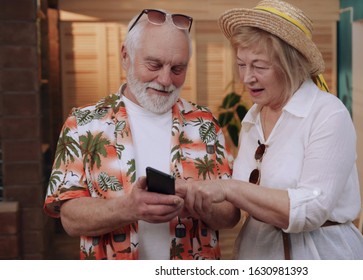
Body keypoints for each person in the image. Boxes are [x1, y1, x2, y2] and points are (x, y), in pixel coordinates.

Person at [176, 0, 363, 259]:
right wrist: (196, 201)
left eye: (259, 66)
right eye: (242, 64)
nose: (247, 77)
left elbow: (312, 209)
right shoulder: (253, 119)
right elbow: (237, 210)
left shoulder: (328, 114)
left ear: (292, 64)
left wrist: (230, 188)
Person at [43, 8, 240, 260]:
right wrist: (128, 208)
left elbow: (231, 214)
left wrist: (199, 204)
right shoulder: (82, 124)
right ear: (126, 56)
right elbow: (70, 219)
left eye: (178, 69)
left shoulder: (205, 124)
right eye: (154, 64)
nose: (166, 79)